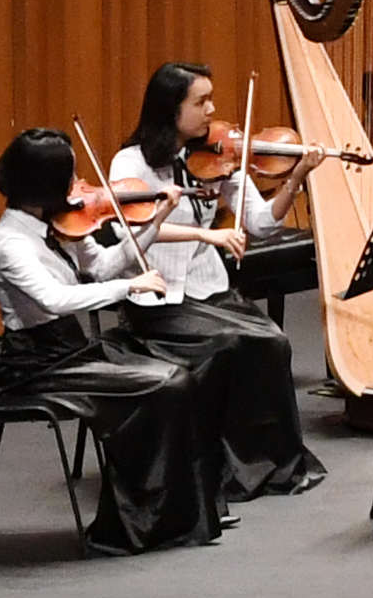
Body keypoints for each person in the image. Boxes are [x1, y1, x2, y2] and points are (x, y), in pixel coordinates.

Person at [0, 128, 234, 551]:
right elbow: (54, 299)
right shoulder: (9, 242)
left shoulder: (58, 223)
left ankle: (185, 511)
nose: (79, 184)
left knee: (181, 376)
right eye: (70, 175)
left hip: (67, 348)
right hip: (35, 364)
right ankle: (143, 522)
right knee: (165, 383)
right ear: (46, 182)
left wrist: (155, 220)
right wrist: (129, 287)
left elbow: (101, 267)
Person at [108, 62, 327, 501]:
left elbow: (261, 222)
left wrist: (296, 177)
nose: (212, 110)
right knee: (232, 345)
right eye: (201, 102)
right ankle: (225, 468)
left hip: (209, 288)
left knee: (273, 341)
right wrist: (204, 234)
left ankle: (270, 464)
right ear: (171, 109)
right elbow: (126, 230)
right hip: (160, 298)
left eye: (210, 99)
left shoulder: (219, 155)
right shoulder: (131, 163)